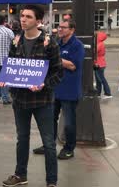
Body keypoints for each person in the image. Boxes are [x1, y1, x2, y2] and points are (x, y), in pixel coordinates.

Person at [1, 5, 63, 187]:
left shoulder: (48, 42)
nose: (23, 19)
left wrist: (45, 84)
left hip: (42, 100)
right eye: (22, 16)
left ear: (38, 21)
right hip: (20, 100)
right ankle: (20, 175)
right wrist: (6, 79)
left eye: (28, 16)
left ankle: (51, 181)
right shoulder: (16, 40)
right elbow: (11, 66)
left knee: (49, 143)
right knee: (22, 139)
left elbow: (58, 72)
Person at [33, 19, 84, 160]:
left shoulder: (77, 45)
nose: (59, 29)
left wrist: (54, 58)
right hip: (54, 88)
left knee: (69, 123)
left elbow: (73, 65)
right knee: (50, 120)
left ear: (72, 30)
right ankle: (49, 145)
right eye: (58, 27)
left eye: (63, 27)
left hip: (69, 90)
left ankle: (68, 148)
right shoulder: (56, 43)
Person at [94, 31, 113, 99]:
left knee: (101, 79)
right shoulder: (99, 43)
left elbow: (94, 51)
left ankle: (108, 93)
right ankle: (98, 93)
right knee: (98, 80)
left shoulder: (99, 44)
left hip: (99, 64)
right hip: (99, 63)